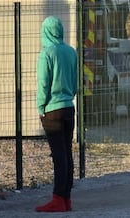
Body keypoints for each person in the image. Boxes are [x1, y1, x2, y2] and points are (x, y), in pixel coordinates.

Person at [35, 16, 78, 212]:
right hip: (69, 107)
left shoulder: (46, 54)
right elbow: (76, 82)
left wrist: (40, 107)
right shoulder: (71, 52)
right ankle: (66, 197)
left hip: (52, 110)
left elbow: (43, 84)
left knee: (58, 155)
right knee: (67, 153)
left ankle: (57, 198)